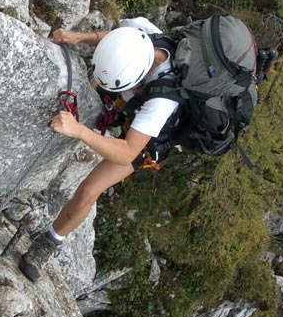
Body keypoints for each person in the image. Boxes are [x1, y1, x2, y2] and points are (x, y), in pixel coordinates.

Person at [19, 18, 180, 281]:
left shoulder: (161, 102)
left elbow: (128, 151)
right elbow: (115, 38)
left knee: (88, 191)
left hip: (147, 138)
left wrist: (79, 131)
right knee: (94, 92)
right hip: (129, 98)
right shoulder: (140, 37)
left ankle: (47, 246)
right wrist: (79, 37)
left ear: (136, 82)